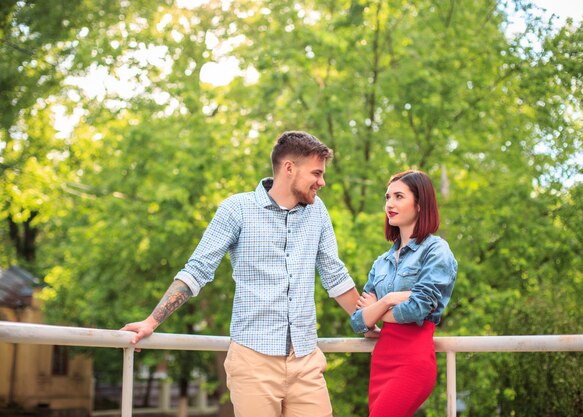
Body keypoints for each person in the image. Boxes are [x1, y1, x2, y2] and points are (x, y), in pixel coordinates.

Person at [122, 131, 365, 417]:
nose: (322, 182)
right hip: (253, 362)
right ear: (289, 168)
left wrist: (368, 322)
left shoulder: (317, 212)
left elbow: (334, 275)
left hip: (306, 361)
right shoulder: (236, 209)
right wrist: (152, 320)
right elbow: (198, 270)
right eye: (316, 173)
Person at [350, 169, 457, 417]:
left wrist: (375, 311)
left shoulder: (436, 250)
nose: (390, 204)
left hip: (413, 361)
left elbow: (418, 308)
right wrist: (387, 300)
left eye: (399, 196)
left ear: (420, 204)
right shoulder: (382, 262)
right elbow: (357, 321)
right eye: (387, 197)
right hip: (381, 361)